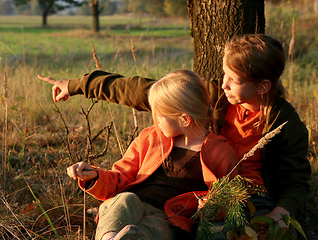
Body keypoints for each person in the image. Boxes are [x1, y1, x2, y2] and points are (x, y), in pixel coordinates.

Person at [39, 34, 311, 231]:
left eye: (234, 79)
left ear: (263, 87)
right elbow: (141, 90)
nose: (224, 83)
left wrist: (282, 211)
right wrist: (78, 84)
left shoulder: (286, 126)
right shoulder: (215, 96)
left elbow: (295, 181)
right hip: (194, 195)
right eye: (224, 74)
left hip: (250, 197)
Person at [65, 70, 238, 240]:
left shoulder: (219, 151)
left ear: (184, 119)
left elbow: (228, 197)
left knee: (155, 229)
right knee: (125, 200)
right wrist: (95, 176)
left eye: (161, 115)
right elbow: (121, 176)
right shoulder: (151, 138)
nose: (156, 121)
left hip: (170, 219)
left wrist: (211, 206)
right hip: (134, 205)